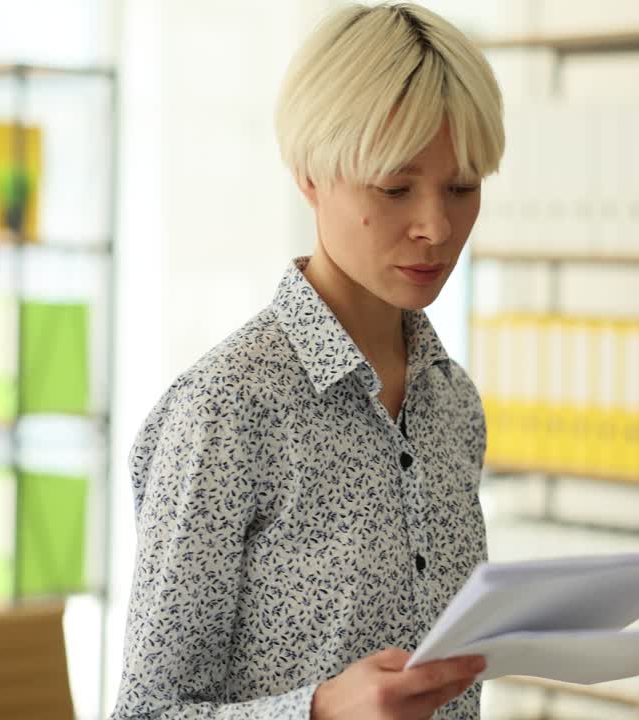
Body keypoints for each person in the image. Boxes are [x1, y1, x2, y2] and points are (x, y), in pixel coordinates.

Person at [112, 3, 504, 718]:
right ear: (309, 175)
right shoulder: (226, 411)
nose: (436, 227)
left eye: (462, 187)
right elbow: (145, 713)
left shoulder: (453, 405)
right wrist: (318, 711)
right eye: (394, 188)